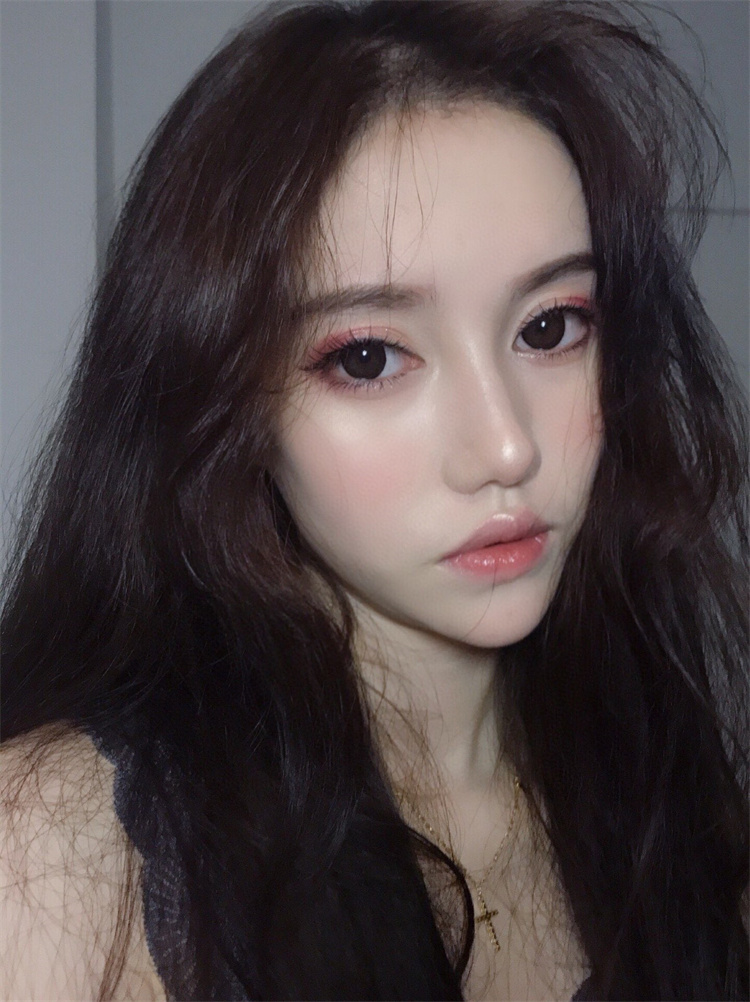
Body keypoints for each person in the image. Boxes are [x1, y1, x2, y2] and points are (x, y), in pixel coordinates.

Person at [1, 1, 747, 999]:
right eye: (368, 358)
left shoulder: (676, 803)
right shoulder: (53, 855)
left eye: (550, 327)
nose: (507, 447)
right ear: (224, 403)